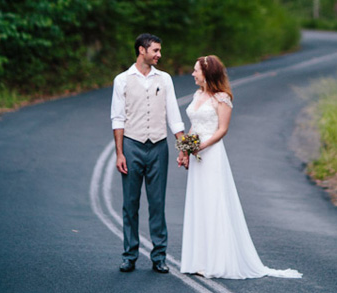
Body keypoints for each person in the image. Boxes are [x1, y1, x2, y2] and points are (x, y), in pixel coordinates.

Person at [178, 55, 302, 280]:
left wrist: (202, 147)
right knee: (200, 203)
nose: (193, 74)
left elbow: (222, 129)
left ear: (207, 73)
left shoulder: (222, 98)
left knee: (214, 202)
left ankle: (217, 260)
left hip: (211, 154)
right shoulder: (197, 95)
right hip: (197, 154)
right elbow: (193, 126)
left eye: (196, 70)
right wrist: (184, 150)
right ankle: (198, 259)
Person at [111, 33, 185, 273]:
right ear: (142, 50)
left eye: (159, 50)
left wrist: (183, 148)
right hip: (131, 145)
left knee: (157, 203)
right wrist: (119, 153)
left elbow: (174, 115)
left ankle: (159, 256)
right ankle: (129, 255)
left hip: (158, 147)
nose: (159, 55)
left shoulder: (164, 79)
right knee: (130, 204)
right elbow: (118, 118)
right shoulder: (122, 80)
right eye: (155, 50)